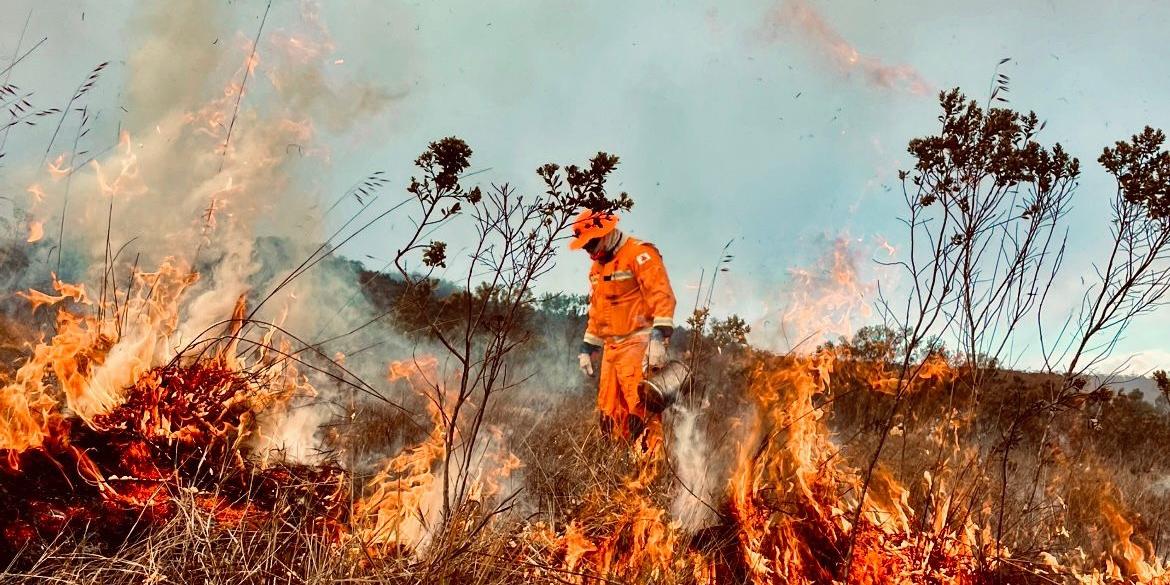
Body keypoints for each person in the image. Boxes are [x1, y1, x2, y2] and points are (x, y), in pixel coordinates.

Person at [571, 210, 677, 451]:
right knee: (610, 413)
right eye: (585, 247)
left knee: (642, 410)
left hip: (637, 346)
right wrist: (587, 348)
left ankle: (650, 468)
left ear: (607, 233)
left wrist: (658, 339)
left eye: (592, 244)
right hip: (611, 349)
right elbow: (598, 311)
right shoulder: (597, 269)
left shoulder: (640, 254)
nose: (590, 252)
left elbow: (661, 295)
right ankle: (619, 468)